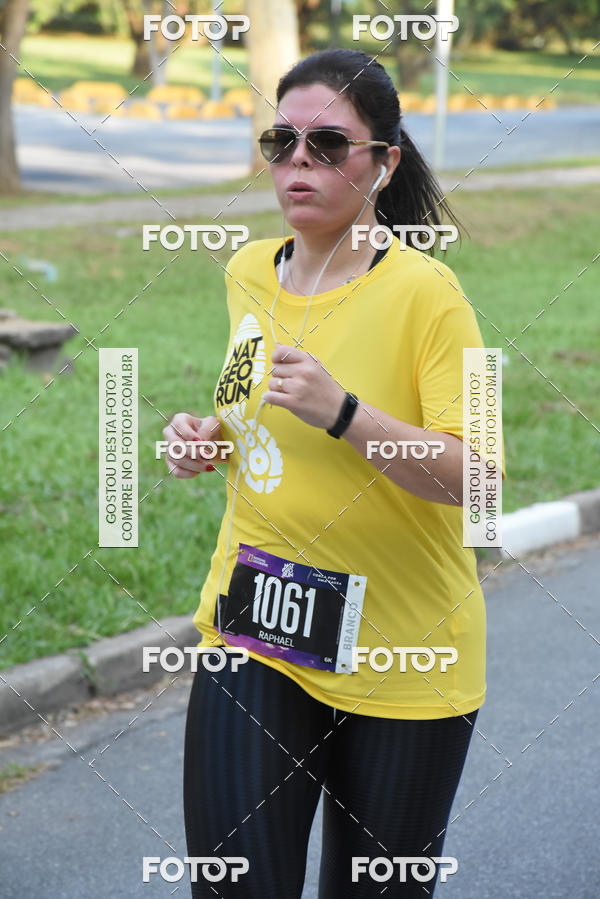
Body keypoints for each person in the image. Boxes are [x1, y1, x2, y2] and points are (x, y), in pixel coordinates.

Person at [162, 48, 505, 899]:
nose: (298, 163)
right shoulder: (249, 271)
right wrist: (209, 435)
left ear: (384, 163)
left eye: (328, 143)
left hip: (405, 654)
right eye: (281, 141)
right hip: (256, 627)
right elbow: (256, 405)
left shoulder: (434, 296)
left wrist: (346, 414)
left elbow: (484, 478)